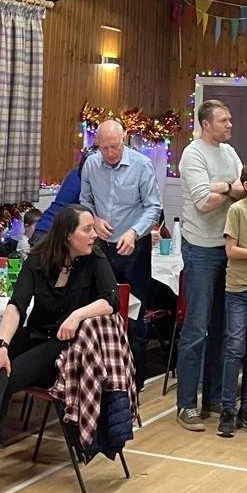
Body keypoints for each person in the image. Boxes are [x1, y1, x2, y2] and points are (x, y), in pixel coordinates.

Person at [0, 206, 117, 493]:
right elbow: (17, 305)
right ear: (68, 235)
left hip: (69, 348)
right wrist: (3, 346)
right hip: (37, 334)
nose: (94, 234)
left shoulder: (94, 257)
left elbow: (111, 300)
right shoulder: (38, 260)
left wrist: (77, 315)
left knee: (7, 374)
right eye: (87, 229)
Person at [175, 99, 246, 430]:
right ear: (206, 124)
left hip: (227, 247)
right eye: (224, 120)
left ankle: (214, 397)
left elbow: (245, 189)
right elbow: (204, 203)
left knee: (221, 327)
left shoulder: (230, 154)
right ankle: (187, 404)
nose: (230, 124)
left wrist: (226, 188)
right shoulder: (193, 154)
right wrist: (229, 189)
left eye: (230, 119)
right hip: (200, 248)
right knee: (197, 328)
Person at [79, 119, 162, 392]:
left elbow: (153, 207)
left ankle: (133, 383)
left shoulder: (141, 165)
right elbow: (85, 201)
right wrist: (95, 219)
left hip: (133, 248)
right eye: (104, 148)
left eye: (114, 147)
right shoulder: (91, 164)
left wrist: (134, 233)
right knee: (100, 311)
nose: (110, 154)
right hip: (102, 247)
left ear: (124, 139)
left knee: (135, 316)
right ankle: (103, 379)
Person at [218, 162, 247, 438]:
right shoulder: (237, 210)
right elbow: (231, 251)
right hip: (238, 288)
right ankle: (226, 409)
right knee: (235, 347)